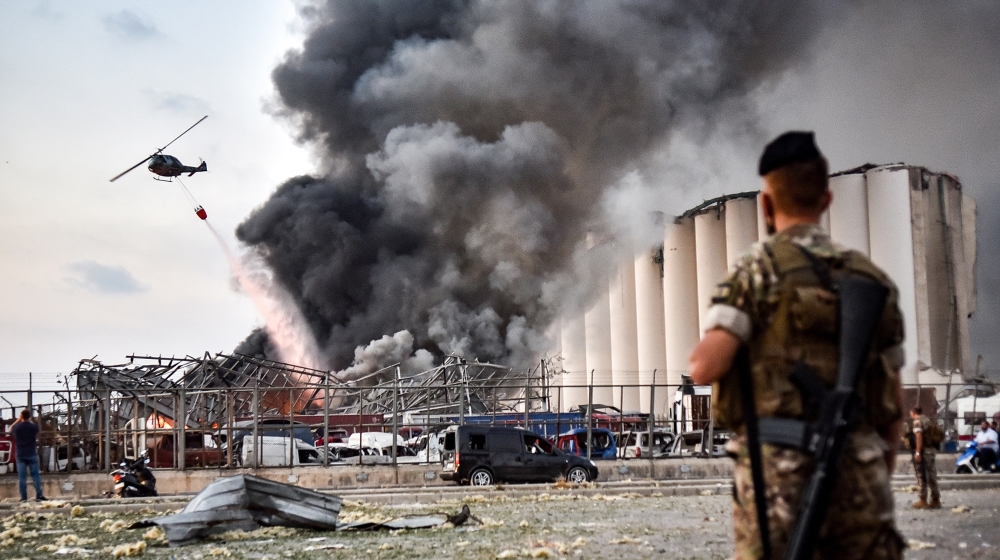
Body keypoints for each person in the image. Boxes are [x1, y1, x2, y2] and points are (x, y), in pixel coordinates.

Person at [689, 131, 906, 559]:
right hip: (860, 470)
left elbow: (703, 367)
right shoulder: (872, 279)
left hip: (778, 477)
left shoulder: (758, 271)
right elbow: (893, 403)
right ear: (827, 199)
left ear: (766, 205)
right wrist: (874, 470)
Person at [10, 409, 47, 502]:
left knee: (22, 477)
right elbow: (37, 434)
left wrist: (18, 420)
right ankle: (39, 495)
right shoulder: (33, 427)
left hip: (20, 454)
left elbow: (10, 429)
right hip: (31, 453)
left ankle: (24, 497)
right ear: (29, 416)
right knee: (35, 475)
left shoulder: (17, 427)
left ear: (21, 416)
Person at [909, 406, 940, 509]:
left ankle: (923, 500)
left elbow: (919, 437)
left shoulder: (917, 421)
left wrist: (917, 452)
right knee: (932, 475)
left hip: (924, 452)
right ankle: (935, 499)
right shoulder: (927, 420)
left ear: (913, 413)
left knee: (921, 475)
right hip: (931, 451)